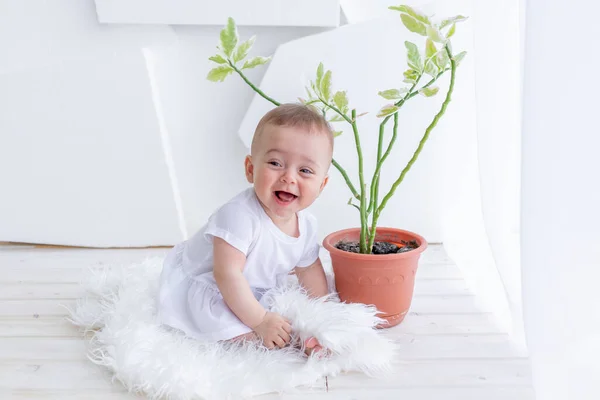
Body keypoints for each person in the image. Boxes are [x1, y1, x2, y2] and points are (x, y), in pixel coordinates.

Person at [157, 103, 333, 356]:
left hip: (249, 286)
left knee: (287, 312)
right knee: (226, 323)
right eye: (275, 163)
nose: (289, 177)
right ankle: (278, 340)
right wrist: (259, 320)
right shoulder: (238, 216)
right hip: (212, 282)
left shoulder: (307, 224)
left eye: (305, 170)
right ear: (251, 169)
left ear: (322, 184)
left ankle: (305, 337)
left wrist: (321, 313)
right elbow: (227, 274)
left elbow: (309, 268)